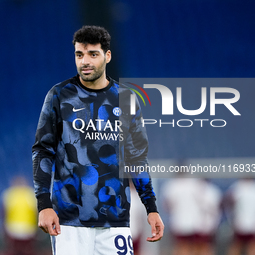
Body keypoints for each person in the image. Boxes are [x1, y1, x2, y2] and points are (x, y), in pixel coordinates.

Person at [32, 25, 164, 255]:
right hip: (69, 221)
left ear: (107, 56)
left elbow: (136, 158)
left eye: (93, 54)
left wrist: (150, 207)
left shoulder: (125, 99)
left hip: (116, 221)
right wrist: (43, 204)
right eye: (79, 54)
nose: (85, 61)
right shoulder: (59, 96)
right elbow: (43, 151)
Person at [224, 178, 255, 255]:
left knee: (254, 248)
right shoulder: (237, 187)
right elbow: (228, 204)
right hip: (241, 224)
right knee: (237, 247)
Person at [1, 176, 38, 255]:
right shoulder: (30, 194)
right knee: (26, 250)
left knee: (14, 250)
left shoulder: (9, 194)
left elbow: (3, 212)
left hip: (17, 228)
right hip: (25, 228)